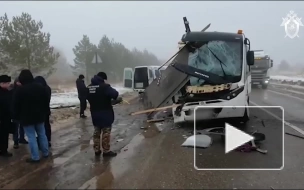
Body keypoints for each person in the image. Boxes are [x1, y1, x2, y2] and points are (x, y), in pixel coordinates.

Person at [12, 69, 49, 163]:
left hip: (26, 118)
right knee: (42, 134)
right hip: (40, 116)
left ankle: (35, 157)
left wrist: (15, 116)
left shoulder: (20, 90)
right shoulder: (40, 87)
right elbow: (46, 101)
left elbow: (16, 105)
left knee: (31, 137)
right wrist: (45, 112)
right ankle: (45, 153)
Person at [86, 74, 119, 157]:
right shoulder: (105, 87)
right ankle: (106, 151)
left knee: (96, 131)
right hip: (105, 113)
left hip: (94, 113)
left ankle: (97, 150)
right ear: (103, 78)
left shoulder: (89, 87)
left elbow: (86, 96)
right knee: (106, 132)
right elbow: (115, 94)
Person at [34, 76, 52, 147]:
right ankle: (48, 140)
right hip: (46, 110)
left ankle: (41, 141)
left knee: (40, 127)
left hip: (39, 111)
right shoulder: (47, 88)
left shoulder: (39, 90)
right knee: (47, 125)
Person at [11, 78, 28, 149]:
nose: (19, 83)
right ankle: (15, 141)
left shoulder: (24, 90)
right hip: (15, 111)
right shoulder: (12, 91)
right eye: (18, 82)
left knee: (22, 126)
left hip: (22, 111)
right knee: (15, 127)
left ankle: (21, 138)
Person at [0, 75, 13, 157]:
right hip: (3, 117)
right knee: (4, 134)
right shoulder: (4, 93)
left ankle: (3, 149)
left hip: (6, 117)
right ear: (2, 83)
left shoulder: (7, 91)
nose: (8, 85)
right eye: (7, 83)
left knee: (4, 134)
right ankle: (3, 150)